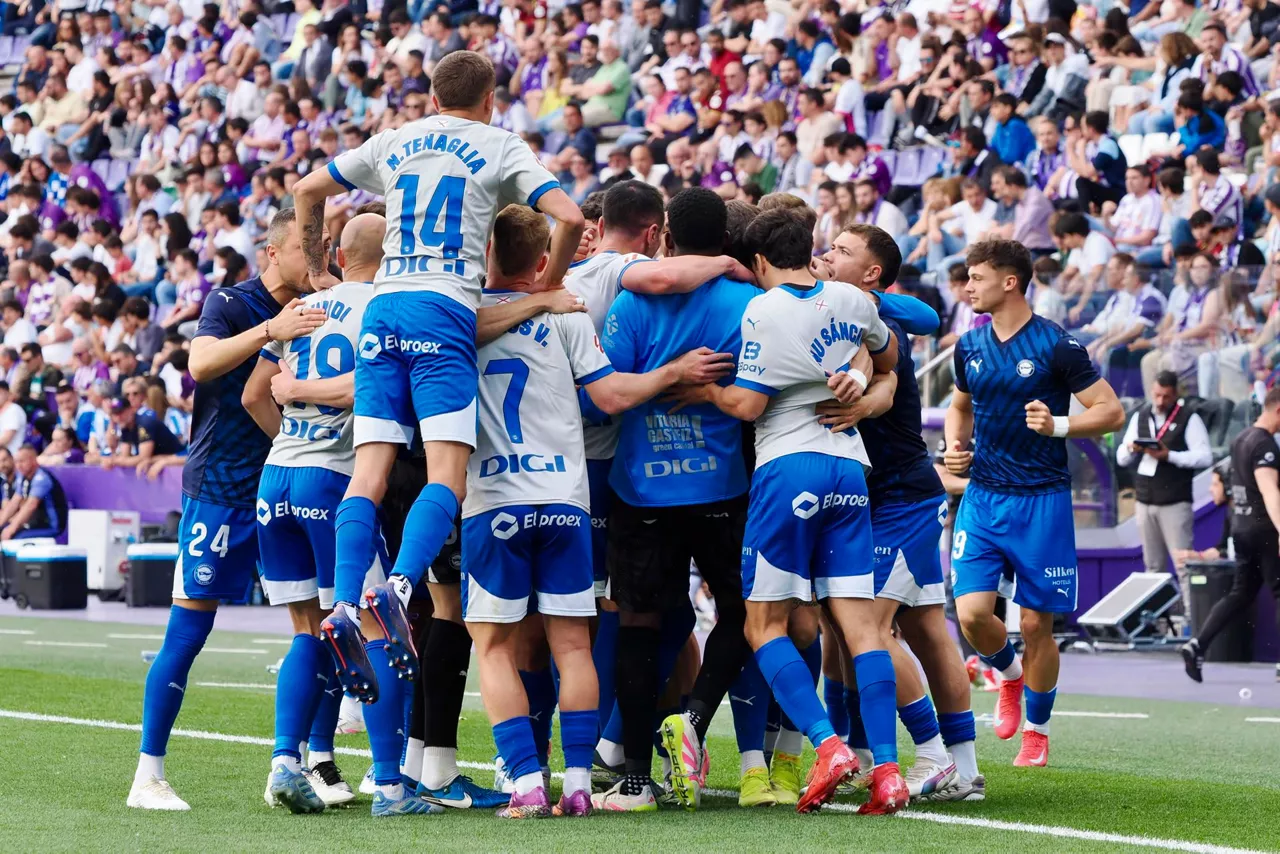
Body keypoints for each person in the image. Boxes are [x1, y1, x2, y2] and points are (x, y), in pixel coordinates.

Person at [293, 51, 584, 818]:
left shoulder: (393, 138)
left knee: (371, 472)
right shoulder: (501, 145)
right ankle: (397, 587)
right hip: (445, 311)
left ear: (429, 93)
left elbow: (308, 187)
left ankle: (351, 602)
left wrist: (322, 265)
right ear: (491, 97)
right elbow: (572, 216)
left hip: (384, 308)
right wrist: (550, 283)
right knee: (446, 475)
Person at [464, 203, 727, 819]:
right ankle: (580, 782)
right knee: (573, 645)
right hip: (565, 500)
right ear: (545, 260)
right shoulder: (569, 316)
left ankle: (528, 782)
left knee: (496, 646)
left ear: (486, 254)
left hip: (495, 500)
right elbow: (610, 397)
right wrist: (673, 372)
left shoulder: (461, 315)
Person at [676, 208, 909, 815]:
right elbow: (888, 358)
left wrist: (703, 390)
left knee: (762, 624)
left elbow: (750, 406)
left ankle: (828, 744)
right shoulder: (851, 298)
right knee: (862, 629)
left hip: (789, 467)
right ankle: (885, 769)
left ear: (757, 263)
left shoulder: (762, 309)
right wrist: (861, 379)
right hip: (848, 468)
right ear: (808, 250)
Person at [127, 209, 329, 812]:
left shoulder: (331, 306)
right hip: (222, 487)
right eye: (306, 249)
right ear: (272, 254)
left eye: (323, 249)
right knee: (191, 628)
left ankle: (308, 763)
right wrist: (274, 329)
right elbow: (201, 365)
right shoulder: (231, 302)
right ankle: (148, 774)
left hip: (289, 485)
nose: (317, 260)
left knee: (318, 624)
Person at [587, 188, 756, 813]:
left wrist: (659, 385)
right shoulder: (750, 304)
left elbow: (602, 395)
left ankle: (633, 778)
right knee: (743, 612)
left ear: (665, 237)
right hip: (723, 486)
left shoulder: (631, 305)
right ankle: (694, 716)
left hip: (641, 486)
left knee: (638, 624)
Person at [817, 223, 984, 802]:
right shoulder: (835, 314)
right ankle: (952, 767)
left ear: (870, 273)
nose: (826, 255)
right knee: (903, 629)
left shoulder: (876, 322)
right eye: (827, 246)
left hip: (900, 500)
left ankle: (936, 757)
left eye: (841, 250)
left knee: (872, 628)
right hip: (875, 500)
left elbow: (926, 317)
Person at [944, 239, 1124, 768]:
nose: (967, 286)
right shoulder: (968, 345)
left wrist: (1060, 424)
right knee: (973, 614)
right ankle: (1010, 677)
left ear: (1010, 282)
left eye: (976, 277)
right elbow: (959, 407)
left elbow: (1110, 411)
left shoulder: (1056, 345)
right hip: (983, 497)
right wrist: (956, 446)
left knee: (1035, 625)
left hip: (1042, 501)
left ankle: (1038, 730)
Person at [240, 214, 387, 815]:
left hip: (276, 477)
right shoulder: (384, 307)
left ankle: (292, 760)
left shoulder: (304, 307)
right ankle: (390, 772)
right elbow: (365, 389)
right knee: (368, 624)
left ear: (338, 254)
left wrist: (293, 433)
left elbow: (255, 394)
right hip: (333, 481)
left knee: (309, 629)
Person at [1181, 386, 1280, 683]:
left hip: (1241, 528)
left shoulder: (1241, 439)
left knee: (1240, 593)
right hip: (1265, 530)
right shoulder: (1265, 446)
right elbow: (1269, 490)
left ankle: (1197, 644)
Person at [1116, 371, 1214, 609]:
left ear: (1175, 395)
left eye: (1166, 397)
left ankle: (1194, 619)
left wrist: (1169, 455)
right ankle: (1157, 621)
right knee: (1152, 566)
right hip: (1145, 500)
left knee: (1183, 564)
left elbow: (1204, 457)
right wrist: (1133, 449)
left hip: (1175, 502)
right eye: (1157, 395)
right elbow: (1121, 457)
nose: (1160, 402)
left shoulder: (1188, 418)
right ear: (1152, 391)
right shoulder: (1141, 415)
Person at [99, 395, 184, 473]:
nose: (118, 417)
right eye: (114, 414)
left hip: (177, 458)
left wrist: (113, 461)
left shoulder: (144, 423)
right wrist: (112, 423)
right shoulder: (126, 426)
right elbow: (122, 454)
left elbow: (143, 458)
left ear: (131, 409)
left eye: (121, 412)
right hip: (162, 459)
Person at [0, 444, 66, 541]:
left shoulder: (41, 478)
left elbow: (30, 506)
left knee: (14, 537)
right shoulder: (22, 477)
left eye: (22, 461)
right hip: (35, 524)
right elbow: (13, 503)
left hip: (51, 527)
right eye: (17, 462)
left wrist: (11, 529)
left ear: (33, 460)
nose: (19, 465)